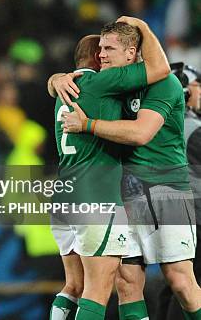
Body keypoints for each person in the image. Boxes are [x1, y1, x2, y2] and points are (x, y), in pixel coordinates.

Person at [57, 18, 201, 319]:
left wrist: (87, 125)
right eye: (100, 48)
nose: (102, 55)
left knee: (181, 281)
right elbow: (81, 82)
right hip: (126, 191)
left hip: (166, 189)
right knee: (127, 282)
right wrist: (56, 79)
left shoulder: (164, 82)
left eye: (109, 48)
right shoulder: (115, 83)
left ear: (132, 52)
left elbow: (140, 133)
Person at [155, 63, 201, 320]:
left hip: (168, 213)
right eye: (197, 87)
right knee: (188, 287)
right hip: (193, 216)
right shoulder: (191, 128)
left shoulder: (157, 123)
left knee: (175, 285)